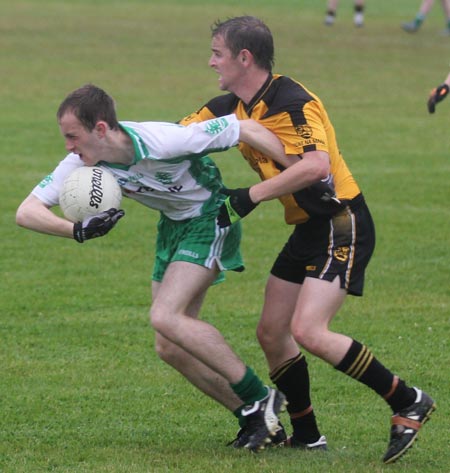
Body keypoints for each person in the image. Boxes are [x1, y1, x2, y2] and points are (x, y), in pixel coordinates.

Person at [179, 16, 436, 464]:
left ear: (245, 57)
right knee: (272, 332)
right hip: (307, 229)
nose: (210, 62)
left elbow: (317, 166)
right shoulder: (229, 107)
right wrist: (118, 146)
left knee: (308, 330)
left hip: (341, 220)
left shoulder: (292, 100)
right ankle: (308, 434)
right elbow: (177, 136)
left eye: (217, 53)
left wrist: (251, 196)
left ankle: (407, 399)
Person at [15, 83, 289, 452]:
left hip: (210, 218)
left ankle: (261, 397)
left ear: (100, 129)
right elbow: (26, 212)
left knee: (165, 316)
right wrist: (77, 229)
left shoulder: (165, 139)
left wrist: (299, 171)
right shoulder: (83, 162)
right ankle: (256, 419)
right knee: (169, 346)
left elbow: (247, 128)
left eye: (72, 136)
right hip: (173, 228)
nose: (68, 146)